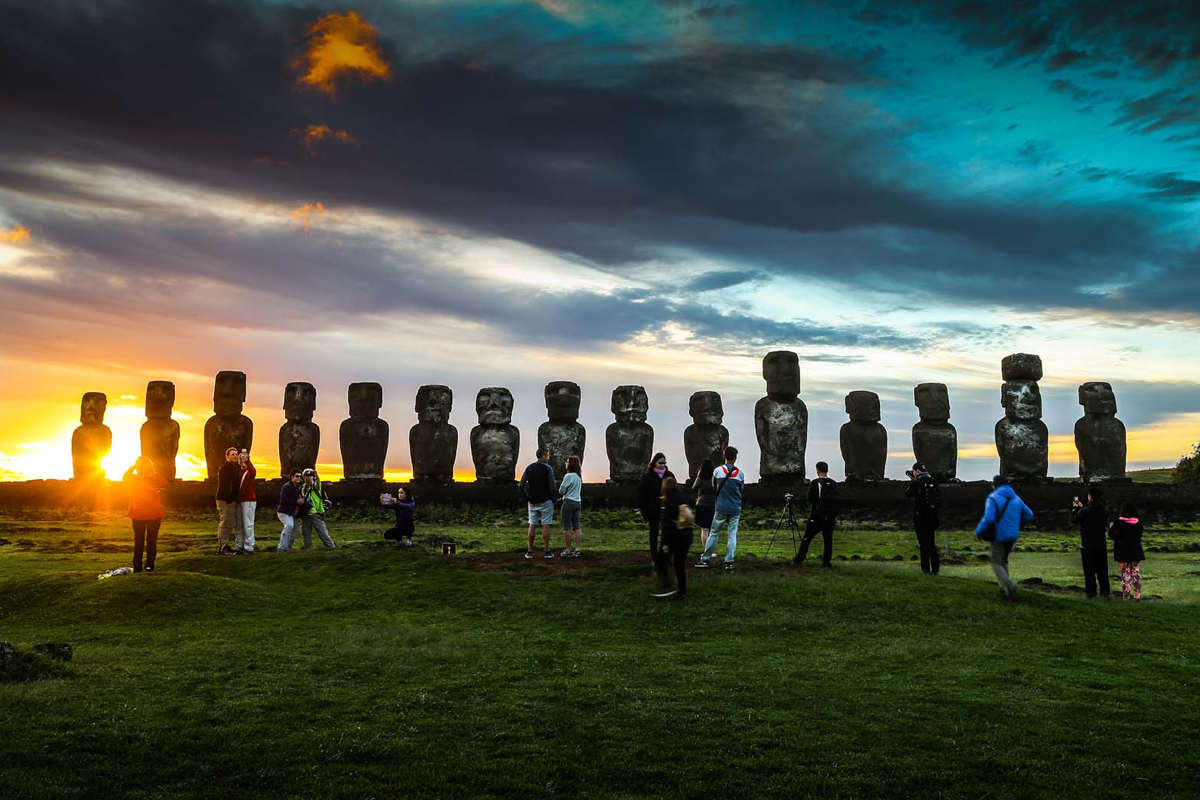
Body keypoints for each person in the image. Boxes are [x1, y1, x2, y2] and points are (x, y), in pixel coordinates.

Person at [974, 475, 1033, 601]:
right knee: (1004, 560)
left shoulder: (993, 498)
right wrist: (1018, 524)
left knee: (995, 562)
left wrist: (979, 531)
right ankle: (1005, 590)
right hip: (1012, 534)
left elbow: (989, 518)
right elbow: (1029, 515)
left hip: (998, 535)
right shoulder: (1016, 498)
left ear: (994, 485)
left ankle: (1009, 586)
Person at [696, 446, 744, 571]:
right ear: (735, 457)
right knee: (732, 534)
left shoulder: (718, 471)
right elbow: (741, 490)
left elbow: (714, 487)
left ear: (724, 456)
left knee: (714, 533)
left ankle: (705, 559)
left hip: (721, 506)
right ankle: (729, 561)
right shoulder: (740, 474)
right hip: (735, 507)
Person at [652, 475, 694, 600]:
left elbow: (666, 525)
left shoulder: (667, 503)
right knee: (679, 564)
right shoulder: (684, 498)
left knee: (660, 560)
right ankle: (682, 590)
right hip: (686, 535)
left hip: (674, 537)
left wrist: (665, 543)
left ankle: (667, 584)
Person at [124, 456, 168, 573]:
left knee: (139, 541)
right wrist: (152, 471)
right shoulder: (154, 478)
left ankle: (138, 567)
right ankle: (149, 566)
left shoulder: (134, 478)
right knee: (151, 541)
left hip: (139, 513)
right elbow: (164, 482)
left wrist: (133, 467)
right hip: (153, 513)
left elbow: (125, 477)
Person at [794, 461, 838, 568]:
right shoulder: (833, 483)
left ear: (817, 470)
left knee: (807, 538)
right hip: (830, 517)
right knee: (828, 540)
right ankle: (826, 562)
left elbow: (810, 497)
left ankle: (799, 559)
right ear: (827, 470)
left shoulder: (815, 483)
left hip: (816, 516)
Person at [1070, 487, 1110, 599]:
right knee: (1103, 571)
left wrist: (1075, 508)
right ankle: (1105, 593)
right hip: (1101, 543)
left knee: (1089, 571)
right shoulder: (1104, 510)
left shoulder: (1086, 510)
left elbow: (1074, 520)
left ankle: (1091, 593)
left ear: (1090, 497)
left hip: (1088, 543)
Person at [520, 448, 558, 559]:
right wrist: (553, 499)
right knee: (545, 524)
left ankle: (530, 551)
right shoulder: (548, 468)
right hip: (546, 500)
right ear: (544, 455)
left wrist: (526, 497)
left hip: (532, 500)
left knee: (532, 524)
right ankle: (547, 551)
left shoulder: (529, 468)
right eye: (548, 455)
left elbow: (521, 485)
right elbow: (552, 486)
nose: (549, 457)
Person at [636, 453, 674, 563]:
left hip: (667, 508)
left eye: (664, 463)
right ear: (654, 463)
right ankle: (654, 557)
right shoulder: (647, 477)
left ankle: (665, 556)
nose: (662, 465)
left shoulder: (669, 475)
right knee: (654, 534)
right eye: (660, 463)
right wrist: (641, 509)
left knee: (667, 534)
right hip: (653, 509)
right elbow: (641, 494)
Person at [905, 461, 941, 575]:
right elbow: (939, 498)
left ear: (917, 471)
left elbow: (908, 494)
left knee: (923, 544)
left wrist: (912, 481)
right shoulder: (933, 482)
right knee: (931, 543)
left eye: (914, 472)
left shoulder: (917, 483)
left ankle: (925, 569)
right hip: (932, 517)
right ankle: (935, 569)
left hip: (920, 517)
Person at [1109, 503, 1145, 601]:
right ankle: (1137, 595)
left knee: (1125, 575)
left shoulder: (1117, 523)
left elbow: (1113, 536)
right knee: (1135, 574)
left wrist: (1111, 528)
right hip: (1136, 552)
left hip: (1122, 552)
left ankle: (1126, 596)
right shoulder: (1138, 523)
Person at [299, 468, 336, 550]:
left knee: (322, 532)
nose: (308, 478)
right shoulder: (302, 488)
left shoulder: (316, 486)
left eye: (310, 476)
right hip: (306, 514)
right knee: (305, 533)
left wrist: (317, 475)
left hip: (316, 513)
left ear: (313, 477)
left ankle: (330, 546)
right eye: (306, 476)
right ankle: (308, 548)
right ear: (303, 477)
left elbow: (319, 482)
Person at [215, 446, 240, 555]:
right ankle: (222, 547)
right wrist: (229, 498)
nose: (235, 456)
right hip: (225, 499)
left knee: (229, 523)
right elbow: (225, 485)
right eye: (232, 454)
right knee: (225, 521)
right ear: (227, 457)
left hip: (230, 499)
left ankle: (225, 545)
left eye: (236, 454)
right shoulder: (225, 468)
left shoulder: (235, 468)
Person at [559, 455, 583, 557]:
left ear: (571, 464)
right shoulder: (578, 476)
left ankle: (568, 549)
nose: (566, 463)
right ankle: (577, 549)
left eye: (567, 461)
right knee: (577, 527)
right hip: (578, 502)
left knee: (567, 527)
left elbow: (561, 490)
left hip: (568, 502)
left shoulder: (568, 476)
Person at [234, 449, 257, 555]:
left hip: (249, 500)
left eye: (244, 461)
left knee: (248, 524)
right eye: (240, 461)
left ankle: (249, 547)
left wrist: (247, 460)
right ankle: (239, 545)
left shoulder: (249, 472)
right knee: (239, 525)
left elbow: (253, 471)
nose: (242, 463)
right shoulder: (239, 473)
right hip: (239, 501)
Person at [691, 459, 716, 554]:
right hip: (713, 505)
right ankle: (713, 551)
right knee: (712, 530)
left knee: (704, 529)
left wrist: (698, 476)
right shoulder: (714, 479)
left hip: (701, 504)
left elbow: (694, 488)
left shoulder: (700, 479)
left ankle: (706, 551)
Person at [276, 470, 304, 552]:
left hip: (291, 513)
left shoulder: (298, 487)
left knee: (294, 530)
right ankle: (282, 547)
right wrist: (296, 501)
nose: (299, 478)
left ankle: (288, 547)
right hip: (284, 512)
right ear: (292, 477)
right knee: (289, 525)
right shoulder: (287, 486)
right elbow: (283, 500)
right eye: (297, 476)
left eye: (300, 476)